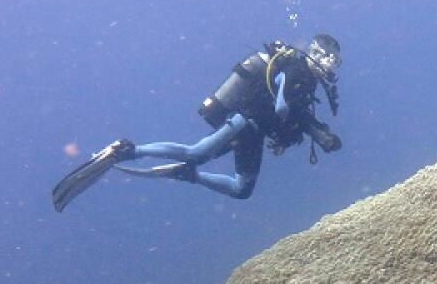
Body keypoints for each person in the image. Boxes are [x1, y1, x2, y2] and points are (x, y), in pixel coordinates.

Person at [51, 34, 343, 212]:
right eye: (332, 60)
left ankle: (188, 175)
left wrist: (321, 134)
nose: (332, 67)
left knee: (242, 188)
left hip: (254, 133)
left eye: (336, 63)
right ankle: (127, 150)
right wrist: (287, 110)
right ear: (318, 53)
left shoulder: (309, 83)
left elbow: (297, 114)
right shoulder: (296, 69)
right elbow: (281, 98)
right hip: (245, 121)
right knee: (197, 152)